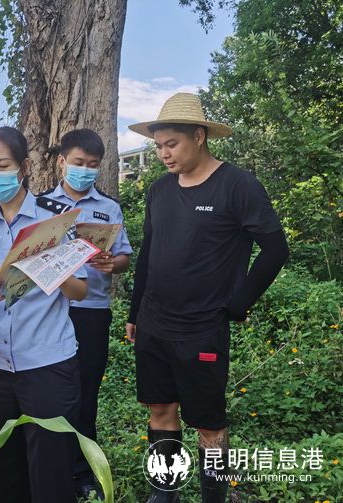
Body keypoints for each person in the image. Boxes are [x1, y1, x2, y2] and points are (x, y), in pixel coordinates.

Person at [126, 93, 289, 502]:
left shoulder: (238, 186)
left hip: (202, 327)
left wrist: (239, 303)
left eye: (172, 144)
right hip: (154, 321)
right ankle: (164, 492)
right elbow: (149, 253)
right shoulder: (159, 191)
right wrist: (135, 311)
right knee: (160, 409)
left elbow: (275, 250)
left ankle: (213, 496)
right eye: (158, 146)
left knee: (208, 423)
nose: (163, 154)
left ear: (199, 136)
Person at [0, 126, 88, 503]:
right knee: (4, 466)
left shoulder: (56, 220)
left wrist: (51, 265)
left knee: (51, 469)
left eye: (3, 165)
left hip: (47, 365)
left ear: (24, 168)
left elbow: (80, 291)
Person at [42, 128, 132, 499]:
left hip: (92, 311)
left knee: (85, 392)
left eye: (92, 165)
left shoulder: (108, 207)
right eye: (78, 163)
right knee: (49, 390)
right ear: (62, 162)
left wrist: (113, 263)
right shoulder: (40, 205)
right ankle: (50, 464)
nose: (85, 170)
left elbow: (124, 256)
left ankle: (82, 471)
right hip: (49, 311)